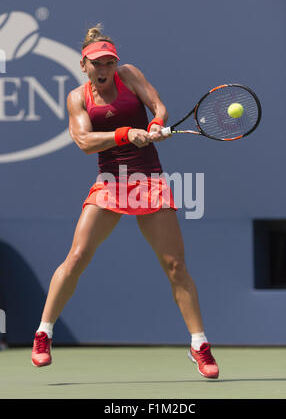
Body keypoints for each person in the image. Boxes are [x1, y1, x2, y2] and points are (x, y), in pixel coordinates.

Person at [31, 24, 219, 379]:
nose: (104, 70)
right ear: (83, 65)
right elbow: (84, 141)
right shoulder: (76, 98)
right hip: (110, 183)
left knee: (175, 265)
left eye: (109, 63)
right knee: (76, 257)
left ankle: (199, 345)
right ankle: (43, 334)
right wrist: (124, 133)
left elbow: (157, 105)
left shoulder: (130, 75)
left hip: (148, 180)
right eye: (97, 64)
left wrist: (158, 123)